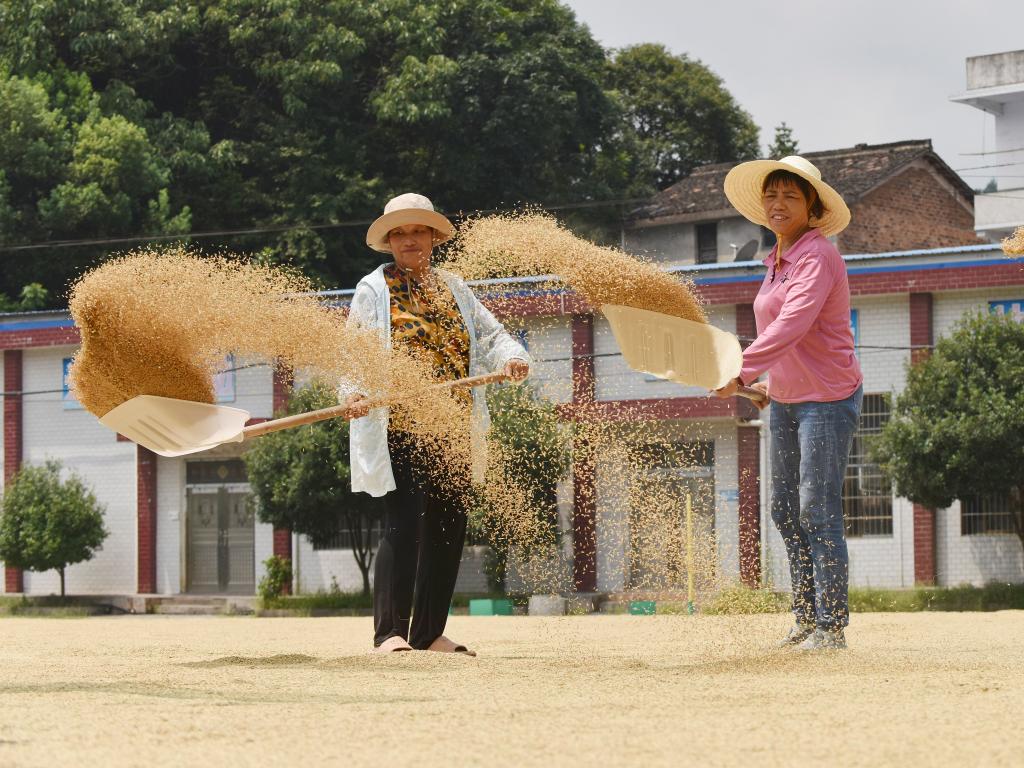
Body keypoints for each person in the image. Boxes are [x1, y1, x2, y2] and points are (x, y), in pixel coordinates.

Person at [345, 193, 530, 655]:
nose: (410, 240)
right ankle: (389, 633)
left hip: (455, 425)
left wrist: (512, 358)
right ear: (389, 241)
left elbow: (492, 334)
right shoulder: (373, 290)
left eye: (418, 231)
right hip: (401, 423)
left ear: (432, 237)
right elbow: (354, 351)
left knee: (449, 525)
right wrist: (352, 391)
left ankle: (428, 633)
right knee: (403, 523)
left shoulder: (455, 287)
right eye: (400, 233)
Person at [716, 156, 863, 650]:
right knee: (782, 508)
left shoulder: (818, 255)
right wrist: (760, 383)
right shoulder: (775, 260)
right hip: (786, 399)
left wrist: (741, 367)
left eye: (791, 196)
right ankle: (804, 618)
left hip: (827, 398)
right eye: (772, 195)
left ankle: (831, 627)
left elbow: (791, 325)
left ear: (813, 207)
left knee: (816, 508)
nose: (779, 204)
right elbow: (779, 336)